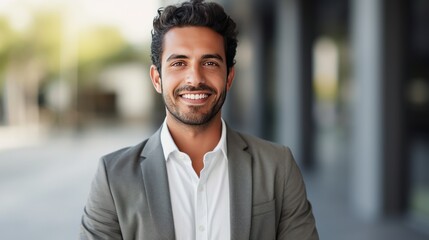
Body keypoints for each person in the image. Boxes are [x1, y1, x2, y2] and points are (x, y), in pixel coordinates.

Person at [80, 0, 319, 239]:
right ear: (156, 78)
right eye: (179, 63)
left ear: (229, 77)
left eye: (210, 63)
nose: (195, 78)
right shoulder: (113, 177)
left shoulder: (278, 167)